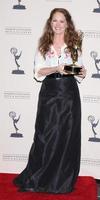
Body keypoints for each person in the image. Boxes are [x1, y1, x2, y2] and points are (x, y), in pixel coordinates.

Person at [13, 8, 86, 194]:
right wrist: (56, 68)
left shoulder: (74, 45)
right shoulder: (43, 45)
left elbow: (80, 71)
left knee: (67, 136)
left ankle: (60, 182)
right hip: (50, 95)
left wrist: (80, 71)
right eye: (55, 20)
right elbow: (38, 72)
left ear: (67, 23)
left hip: (69, 95)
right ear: (50, 23)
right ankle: (38, 177)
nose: (58, 25)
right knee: (45, 136)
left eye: (62, 21)